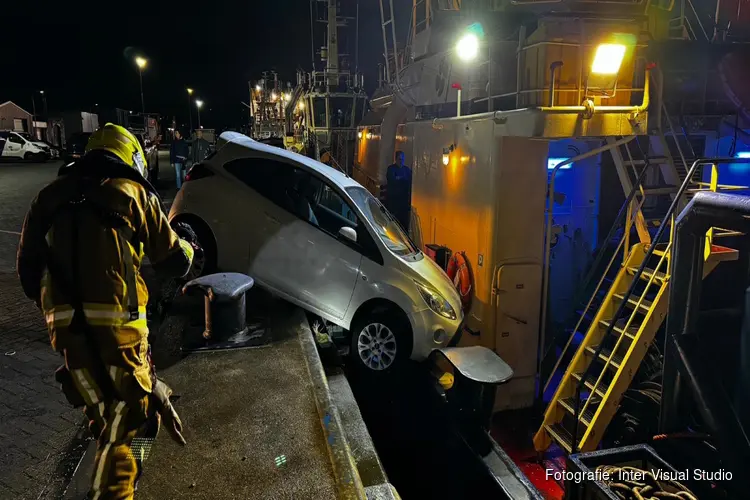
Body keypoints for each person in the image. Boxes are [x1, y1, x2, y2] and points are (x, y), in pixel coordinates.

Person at [17, 123, 195, 499]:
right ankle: (117, 491)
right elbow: (175, 261)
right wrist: (190, 244)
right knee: (132, 423)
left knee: (117, 423)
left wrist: (62, 312)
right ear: (132, 159)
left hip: (69, 339)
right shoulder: (132, 194)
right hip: (121, 336)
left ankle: (127, 481)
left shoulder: (47, 199)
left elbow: (28, 275)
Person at [382, 151, 412, 230]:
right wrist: (402, 179)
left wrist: (399, 178)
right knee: (392, 223)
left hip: (403, 203)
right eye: (399, 159)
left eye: (402, 159)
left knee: (403, 224)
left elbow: (409, 181)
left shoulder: (407, 170)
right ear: (396, 159)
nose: (401, 161)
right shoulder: (391, 169)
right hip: (393, 201)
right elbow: (392, 180)